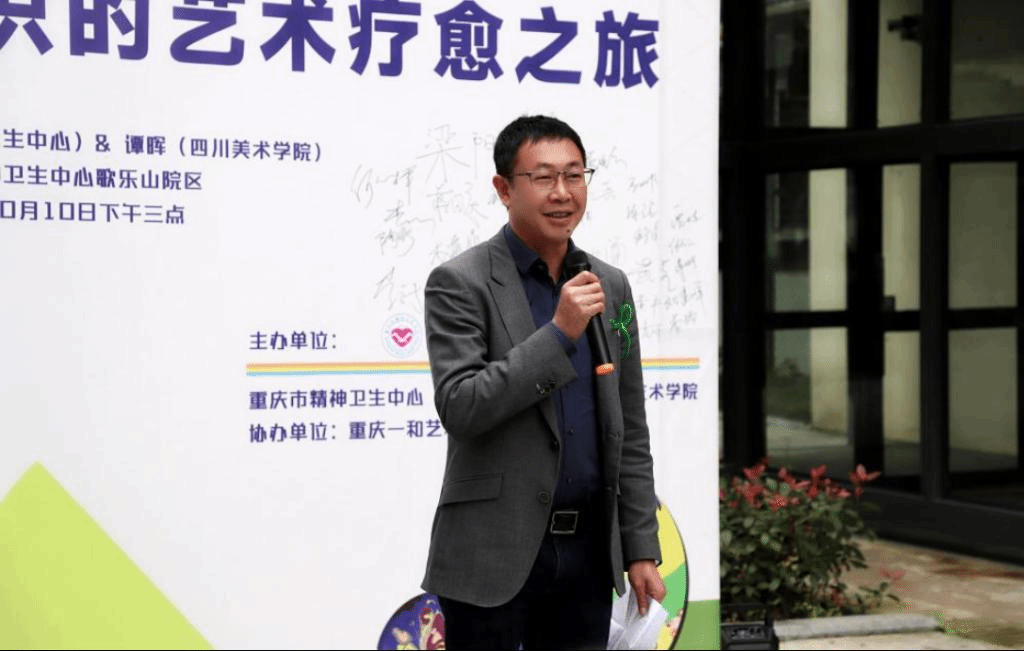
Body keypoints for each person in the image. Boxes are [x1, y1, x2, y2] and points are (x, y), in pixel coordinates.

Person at [421, 114, 666, 649]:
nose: (562, 193)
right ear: (504, 189)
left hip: (587, 557)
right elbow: (462, 405)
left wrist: (640, 546)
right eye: (543, 177)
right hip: (493, 556)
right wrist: (558, 334)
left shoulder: (608, 284)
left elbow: (628, 427)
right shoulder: (460, 282)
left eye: (575, 175)